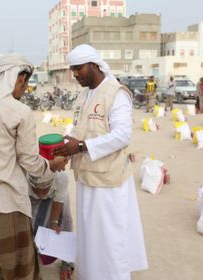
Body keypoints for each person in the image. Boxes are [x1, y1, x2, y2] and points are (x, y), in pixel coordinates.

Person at [0, 53, 67, 280]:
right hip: (4, 205)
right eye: (26, 82)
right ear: (19, 78)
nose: (25, 89)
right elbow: (30, 161)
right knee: (20, 272)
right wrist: (52, 164)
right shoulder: (19, 111)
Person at [53, 44, 148, 280]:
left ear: (94, 65)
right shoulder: (85, 94)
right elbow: (79, 128)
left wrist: (82, 146)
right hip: (86, 178)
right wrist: (67, 147)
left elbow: (122, 135)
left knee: (110, 240)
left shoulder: (117, 94)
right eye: (72, 69)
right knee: (91, 240)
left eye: (78, 69)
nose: (75, 74)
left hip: (109, 184)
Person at [27, 171, 74, 280]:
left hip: (56, 195)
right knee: (28, 222)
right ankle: (31, 253)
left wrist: (54, 222)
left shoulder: (61, 177)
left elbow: (59, 201)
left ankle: (67, 263)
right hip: (28, 196)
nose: (41, 194)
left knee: (65, 220)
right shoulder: (22, 178)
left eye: (44, 190)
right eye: (38, 190)